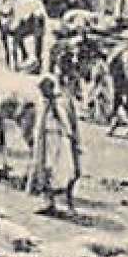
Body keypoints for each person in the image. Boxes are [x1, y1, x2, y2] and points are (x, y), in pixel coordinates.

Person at [25, 76, 81, 214]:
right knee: (44, 172)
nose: (42, 92)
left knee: (62, 172)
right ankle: (49, 203)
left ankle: (69, 205)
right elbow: (39, 122)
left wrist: (71, 138)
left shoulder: (59, 102)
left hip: (56, 141)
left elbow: (66, 123)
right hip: (44, 141)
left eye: (44, 89)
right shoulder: (42, 102)